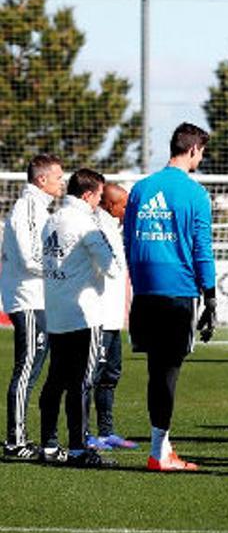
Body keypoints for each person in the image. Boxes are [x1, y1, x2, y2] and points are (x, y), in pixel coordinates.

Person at [124, 122, 216, 472]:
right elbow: (201, 249)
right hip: (179, 292)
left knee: (156, 371)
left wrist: (140, 281)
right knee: (168, 373)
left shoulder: (141, 189)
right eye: (202, 151)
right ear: (193, 149)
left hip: (146, 292)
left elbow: (130, 242)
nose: (201, 158)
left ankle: (160, 445)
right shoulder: (195, 194)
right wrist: (210, 297)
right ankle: (159, 453)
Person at [38, 168, 118, 468]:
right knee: (81, 382)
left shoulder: (51, 220)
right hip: (83, 314)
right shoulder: (87, 223)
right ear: (88, 195)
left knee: (55, 379)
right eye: (99, 195)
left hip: (56, 312)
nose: (100, 201)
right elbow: (111, 266)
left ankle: (49, 445)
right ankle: (78, 449)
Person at [2, 154, 63, 461]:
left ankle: (20, 438)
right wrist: (60, 267)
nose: (62, 182)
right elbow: (28, 258)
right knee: (26, 369)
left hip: (39, 298)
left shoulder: (39, 208)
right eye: (58, 177)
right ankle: (15, 442)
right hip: (28, 299)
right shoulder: (27, 207)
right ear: (42, 180)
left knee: (34, 368)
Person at [86, 183, 136, 451]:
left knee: (111, 374)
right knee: (91, 376)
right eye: (124, 205)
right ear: (108, 205)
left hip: (114, 317)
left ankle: (106, 432)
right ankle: (84, 433)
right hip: (100, 317)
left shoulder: (115, 229)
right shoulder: (99, 229)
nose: (128, 209)